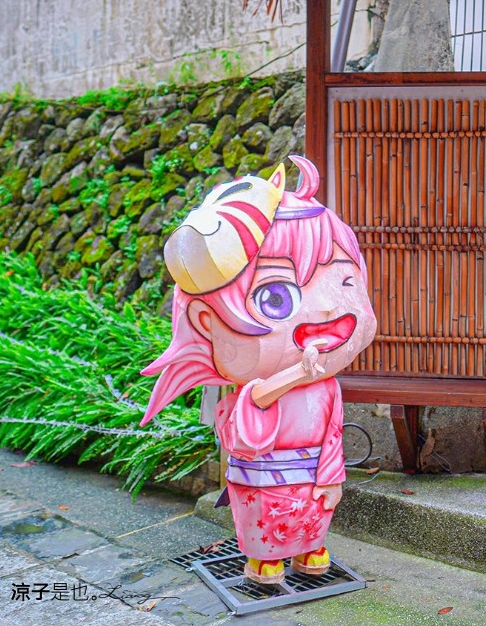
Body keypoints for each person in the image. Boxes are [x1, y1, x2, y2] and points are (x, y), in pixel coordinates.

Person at [140, 155, 377, 584]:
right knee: (266, 524)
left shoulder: (327, 387)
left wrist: (332, 477)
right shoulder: (260, 387)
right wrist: (298, 374)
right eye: (275, 297)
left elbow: (335, 433)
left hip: (310, 474)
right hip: (263, 478)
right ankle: (264, 560)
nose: (324, 308)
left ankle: (310, 550)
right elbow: (253, 414)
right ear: (206, 322)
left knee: (313, 516)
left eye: (343, 283)